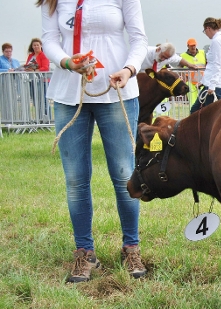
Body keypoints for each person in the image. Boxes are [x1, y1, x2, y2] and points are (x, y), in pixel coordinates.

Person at [37, 0, 149, 283]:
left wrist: (129, 69)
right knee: (76, 178)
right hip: (68, 93)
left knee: (124, 173)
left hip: (116, 90)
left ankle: (131, 248)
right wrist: (65, 62)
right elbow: (49, 39)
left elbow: (138, 38)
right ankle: (84, 252)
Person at [190, 17, 221, 113]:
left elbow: (217, 64)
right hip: (214, 83)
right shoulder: (220, 40)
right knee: (200, 112)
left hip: (215, 85)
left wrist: (212, 86)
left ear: (208, 28)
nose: (206, 34)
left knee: (201, 113)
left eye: (205, 31)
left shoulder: (217, 41)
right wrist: (204, 81)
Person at [180, 38, 206, 106]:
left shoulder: (202, 53)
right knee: (193, 103)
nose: (193, 47)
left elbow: (208, 65)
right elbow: (179, 69)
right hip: (190, 83)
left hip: (202, 82)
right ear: (188, 46)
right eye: (191, 45)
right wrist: (183, 78)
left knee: (204, 101)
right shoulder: (183, 56)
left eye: (194, 45)